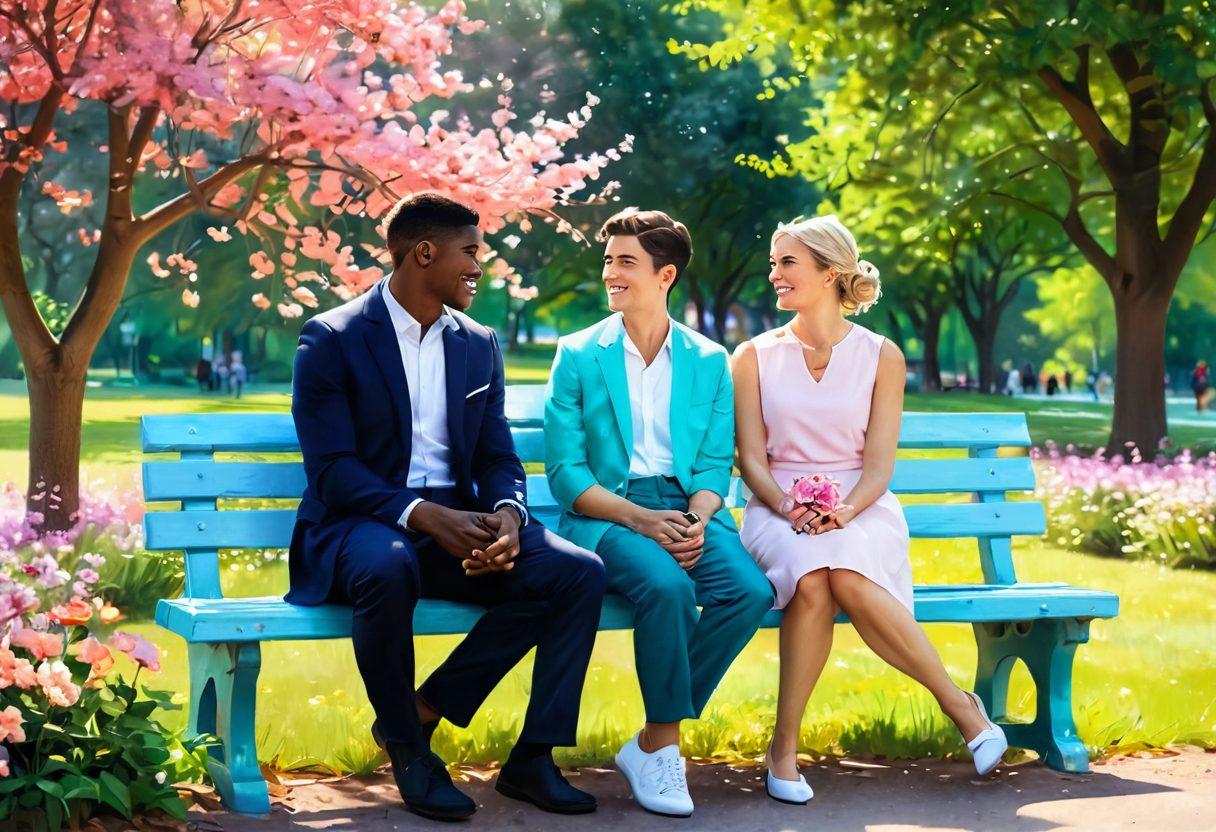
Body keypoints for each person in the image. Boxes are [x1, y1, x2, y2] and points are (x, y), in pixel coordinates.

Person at [286, 193, 606, 820]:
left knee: (575, 573)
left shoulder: (478, 342)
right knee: (388, 565)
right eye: (470, 252)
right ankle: (408, 746)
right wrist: (424, 515)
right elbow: (333, 470)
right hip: (361, 525)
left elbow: (496, 458)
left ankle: (529, 757)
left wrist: (510, 518)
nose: (479, 267)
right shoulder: (332, 337)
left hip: (458, 524)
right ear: (424, 252)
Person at [732, 215, 1007, 806]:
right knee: (811, 577)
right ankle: (789, 746)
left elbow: (879, 466)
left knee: (838, 571)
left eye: (787, 263)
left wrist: (846, 511)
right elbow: (750, 459)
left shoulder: (882, 356)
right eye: (774, 262)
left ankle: (955, 707)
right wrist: (786, 505)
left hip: (864, 507)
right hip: (775, 508)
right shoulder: (752, 356)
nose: (773, 274)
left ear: (830, 273)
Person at [544, 208, 773, 818]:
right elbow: (566, 475)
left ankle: (645, 740)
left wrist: (697, 519)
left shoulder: (707, 359)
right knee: (668, 587)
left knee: (749, 591)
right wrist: (640, 521)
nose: (610, 274)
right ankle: (666, 747)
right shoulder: (578, 355)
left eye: (626, 262)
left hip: (687, 508)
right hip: (606, 513)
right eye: (608, 261)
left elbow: (712, 466)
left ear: (665, 274)